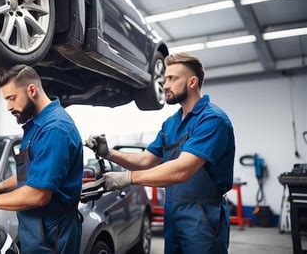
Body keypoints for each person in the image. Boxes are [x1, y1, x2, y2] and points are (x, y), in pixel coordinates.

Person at [86, 52, 235, 254]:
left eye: (172, 78)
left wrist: (127, 178)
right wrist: (109, 153)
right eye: (165, 78)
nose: (165, 85)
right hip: (173, 209)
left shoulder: (212, 120)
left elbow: (182, 170)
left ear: (192, 82)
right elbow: (145, 160)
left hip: (202, 214)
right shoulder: (170, 123)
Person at [0, 64, 83, 254]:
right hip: (36, 230)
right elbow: (30, 175)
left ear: (32, 90)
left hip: (53, 234)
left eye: (11, 98)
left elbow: (38, 194)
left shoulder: (54, 129)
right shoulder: (37, 125)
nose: (9, 107)